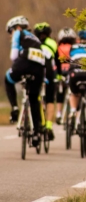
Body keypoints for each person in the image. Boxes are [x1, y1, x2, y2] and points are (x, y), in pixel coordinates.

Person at [5, 15, 45, 146]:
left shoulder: (18, 33)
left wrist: (17, 67)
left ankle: (15, 108)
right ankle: (37, 133)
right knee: (34, 98)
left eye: (10, 31)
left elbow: (14, 56)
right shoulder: (36, 38)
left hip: (24, 62)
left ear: (16, 27)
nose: (11, 36)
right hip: (39, 67)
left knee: (8, 78)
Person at [34, 22, 61, 140]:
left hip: (36, 70)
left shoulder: (33, 42)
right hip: (49, 72)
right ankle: (49, 127)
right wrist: (59, 76)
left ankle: (39, 122)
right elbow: (58, 61)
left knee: (35, 97)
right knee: (50, 100)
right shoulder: (53, 43)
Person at [55, 27, 77, 124]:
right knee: (75, 92)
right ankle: (75, 110)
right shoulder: (74, 48)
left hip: (60, 72)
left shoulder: (58, 48)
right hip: (72, 71)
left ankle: (59, 113)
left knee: (60, 91)